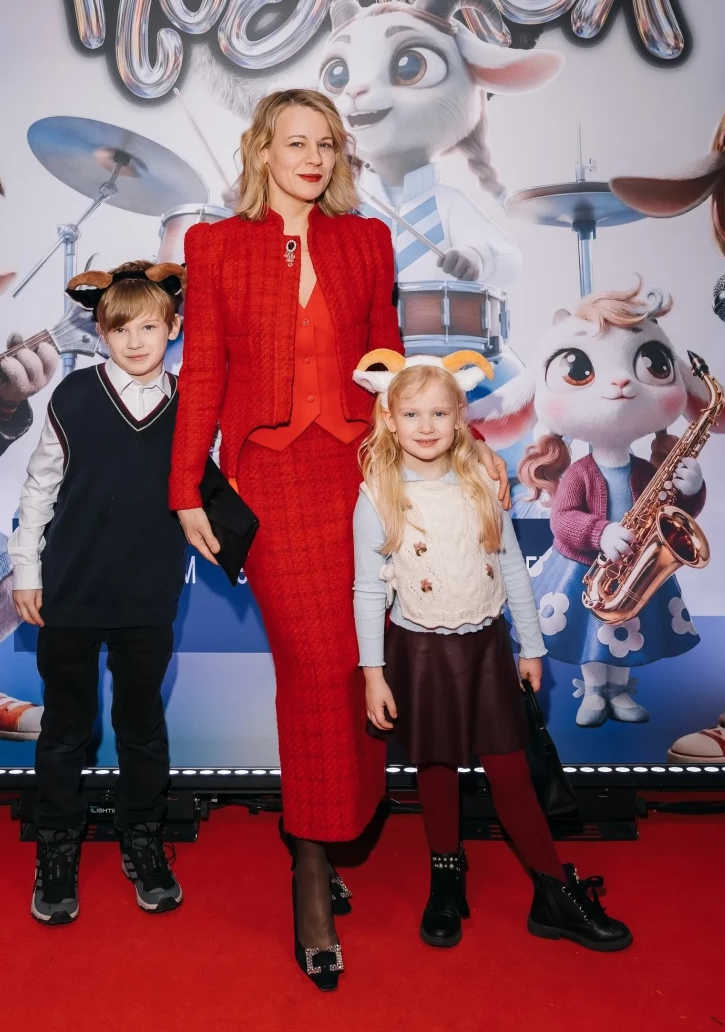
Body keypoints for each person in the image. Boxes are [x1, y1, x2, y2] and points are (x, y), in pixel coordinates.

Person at [168, 87, 510, 990]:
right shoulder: (216, 246)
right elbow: (202, 369)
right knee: (317, 664)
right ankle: (312, 867)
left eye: (326, 143)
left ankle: (333, 824)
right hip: (269, 480)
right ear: (262, 151)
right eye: (295, 143)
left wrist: (460, 450)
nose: (313, 159)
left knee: (367, 660)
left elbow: (395, 369)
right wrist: (185, 488)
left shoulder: (367, 239)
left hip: (361, 472)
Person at [353, 356, 633, 953]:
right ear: (391, 420)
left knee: (509, 769)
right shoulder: (377, 494)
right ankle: (446, 879)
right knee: (434, 767)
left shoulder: (484, 483)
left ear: (460, 418)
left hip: (484, 647)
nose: (426, 426)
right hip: (419, 650)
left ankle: (554, 893)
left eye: (439, 413)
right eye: (412, 414)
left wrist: (531, 645)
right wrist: (373, 673)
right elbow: (368, 589)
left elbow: (511, 568)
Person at [9, 261, 188, 925]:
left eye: (149, 327)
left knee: (141, 726)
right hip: (72, 590)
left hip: (150, 593)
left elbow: (212, 489)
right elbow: (39, 487)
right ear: (101, 333)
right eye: (120, 329)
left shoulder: (193, 402)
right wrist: (26, 570)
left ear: (173, 328)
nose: (135, 341)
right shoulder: (75, 395)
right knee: (65, 727)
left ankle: (143, 837)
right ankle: (57, 846)